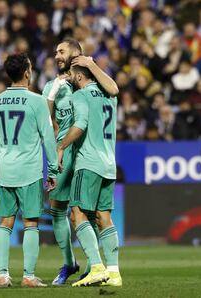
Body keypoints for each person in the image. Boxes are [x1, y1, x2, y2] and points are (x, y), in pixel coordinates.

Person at [42, 38, 119, 285]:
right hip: (83, 153)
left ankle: (94, 265)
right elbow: (48, 125)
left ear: (77, 55)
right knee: (58, 206)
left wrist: (91, 65)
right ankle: (70, 263)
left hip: (85, 153)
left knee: (86, 212)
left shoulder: (88, 84)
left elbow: (111, 92)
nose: (57, 55)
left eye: (61, 51)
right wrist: (51, 98)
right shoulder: (53, 86)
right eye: (56, 52)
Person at [0, 53, 58, 288]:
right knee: (30, 224)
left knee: (5, 223)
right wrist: (53, 170)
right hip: (28, 171)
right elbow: (48, 138)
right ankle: (28, 275)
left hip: (5, 170)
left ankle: (2, 274)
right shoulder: (37, 101)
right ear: (27, 72)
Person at [57, 64, 122, 287]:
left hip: (89, 162)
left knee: (76, 214)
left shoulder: (80, 95)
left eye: (72, 76)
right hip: (109, 164)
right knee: (104, 217)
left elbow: (80, 125)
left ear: (80, 76)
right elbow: (113, 87)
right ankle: (114, 273)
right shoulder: (110, 96)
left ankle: (95, 266)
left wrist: (61, 147)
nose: (70, 79)